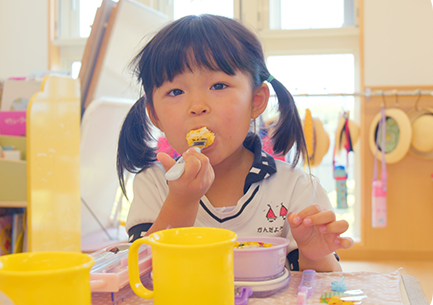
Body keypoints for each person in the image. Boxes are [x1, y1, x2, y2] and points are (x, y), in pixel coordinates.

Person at [117, 14, 353, 272]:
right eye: (175, 92)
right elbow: (142, 278)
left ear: (256, 100)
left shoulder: (296, 188)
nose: (197, 107)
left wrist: (315, 254)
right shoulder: (153, 184)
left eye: (219, 85)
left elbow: (321, 293)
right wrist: (181, 203)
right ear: (154, 115)